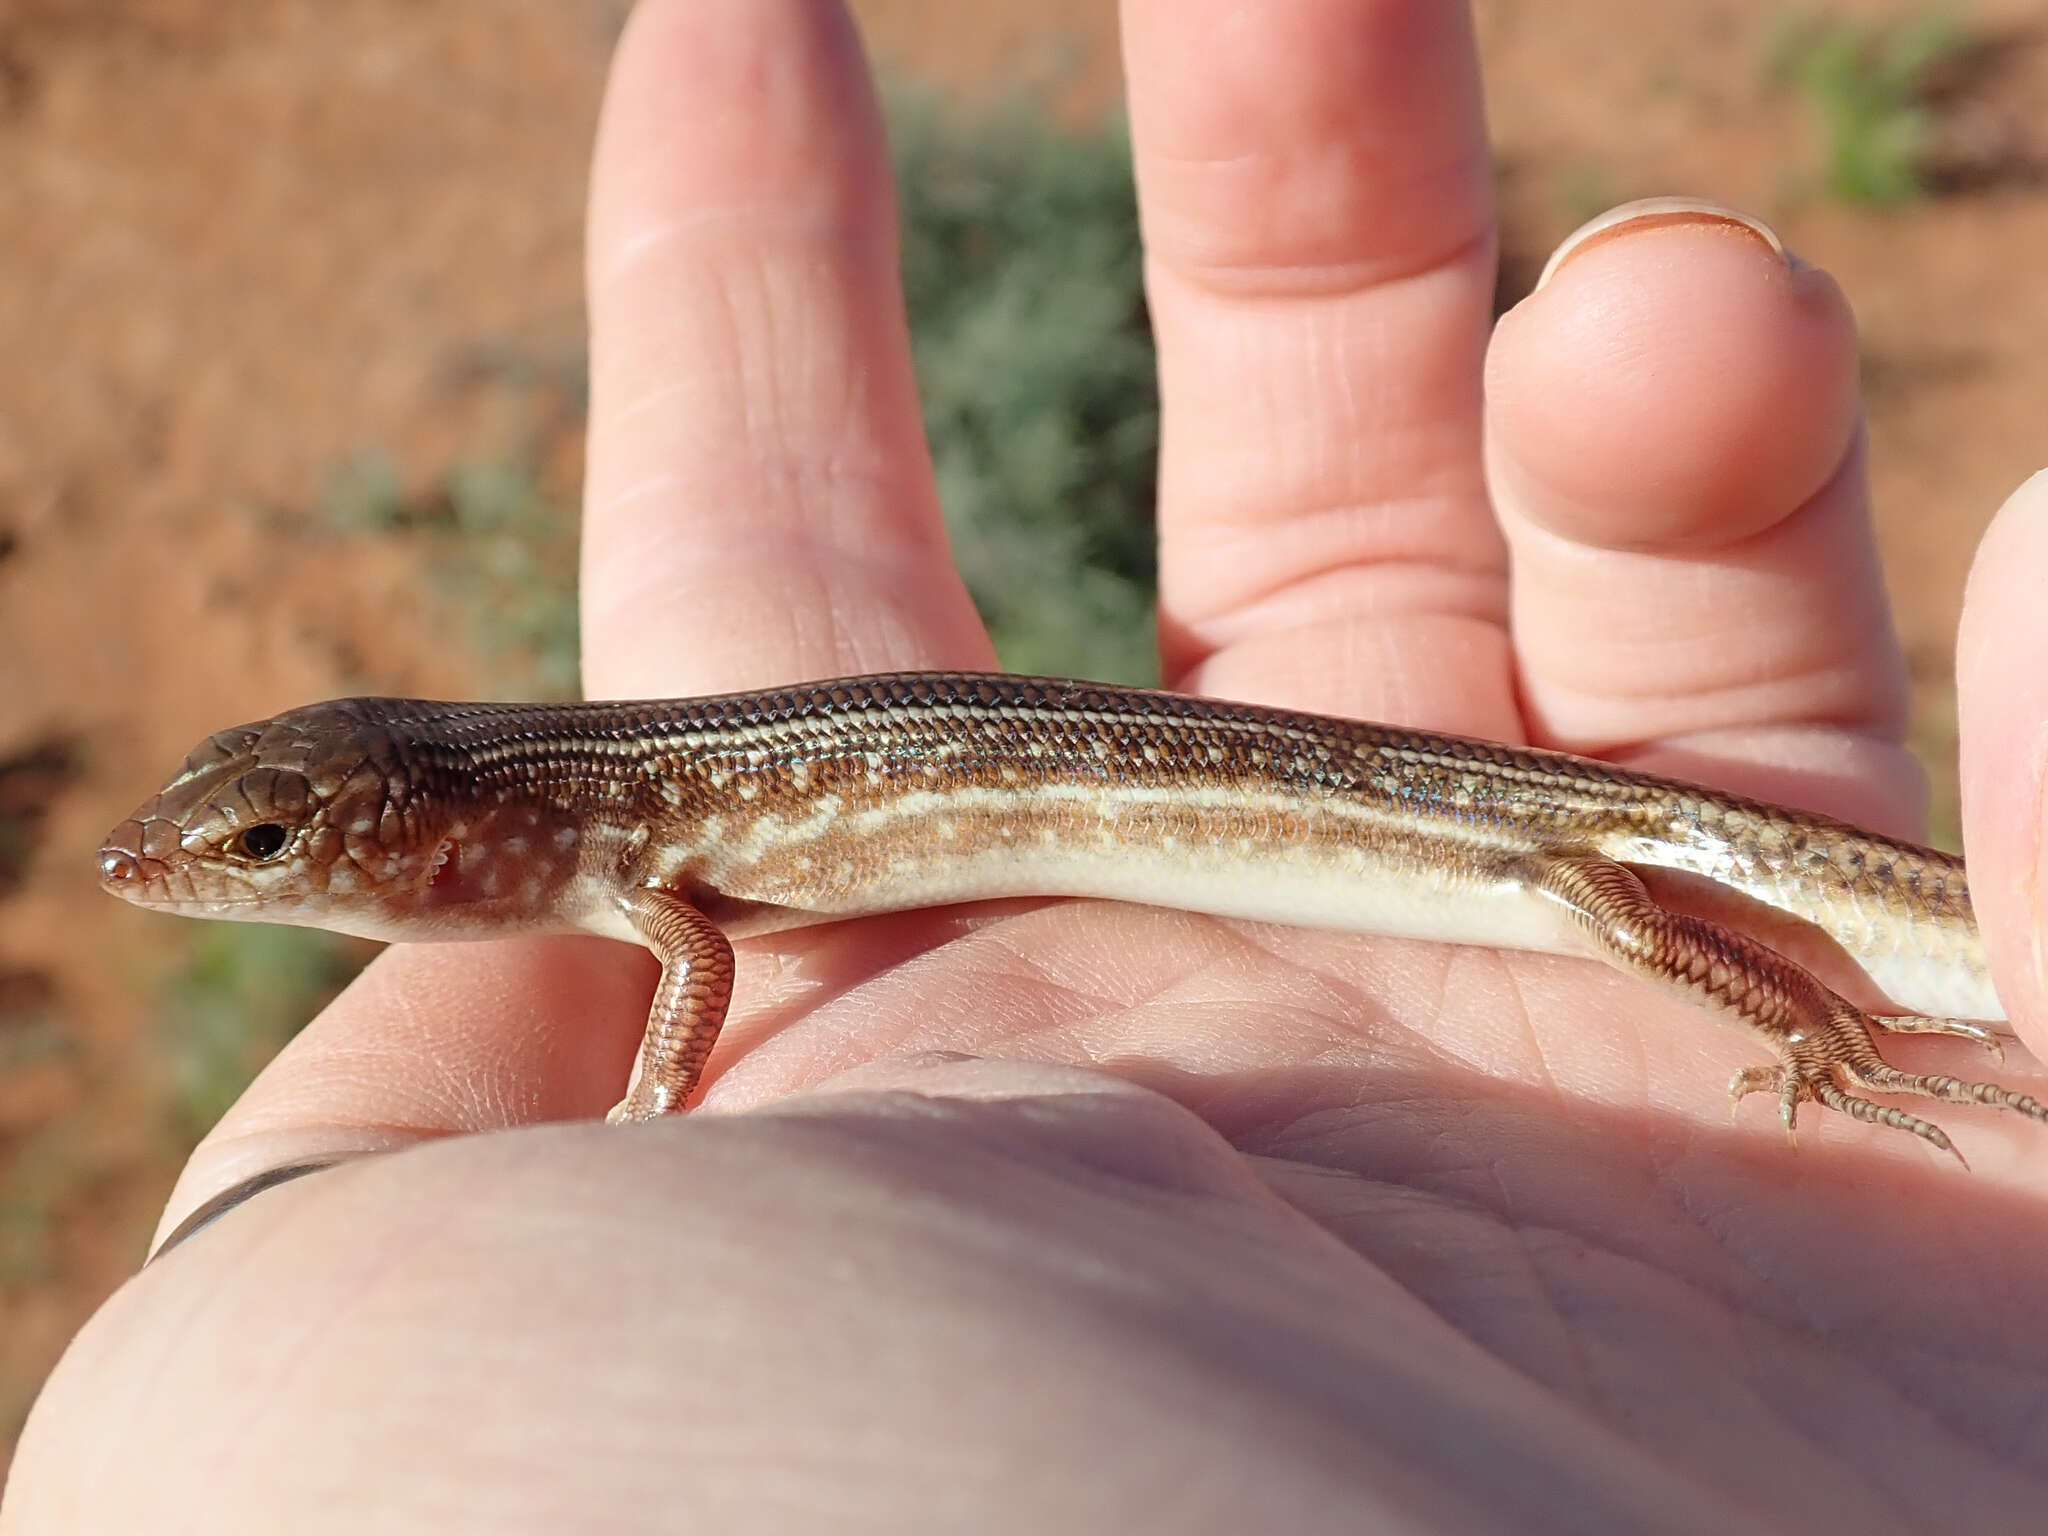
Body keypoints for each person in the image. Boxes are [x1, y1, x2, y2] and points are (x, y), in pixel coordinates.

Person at [11, 1, 2048, 1529]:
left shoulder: (645, 863)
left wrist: (652, 1109)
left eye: (266, 841)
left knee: (1613, 904)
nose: (211, 870)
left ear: (433, 822)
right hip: (1436, 838)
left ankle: (1844, 1051)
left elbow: (695, 982)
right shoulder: (632, 833)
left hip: (1510, 832)